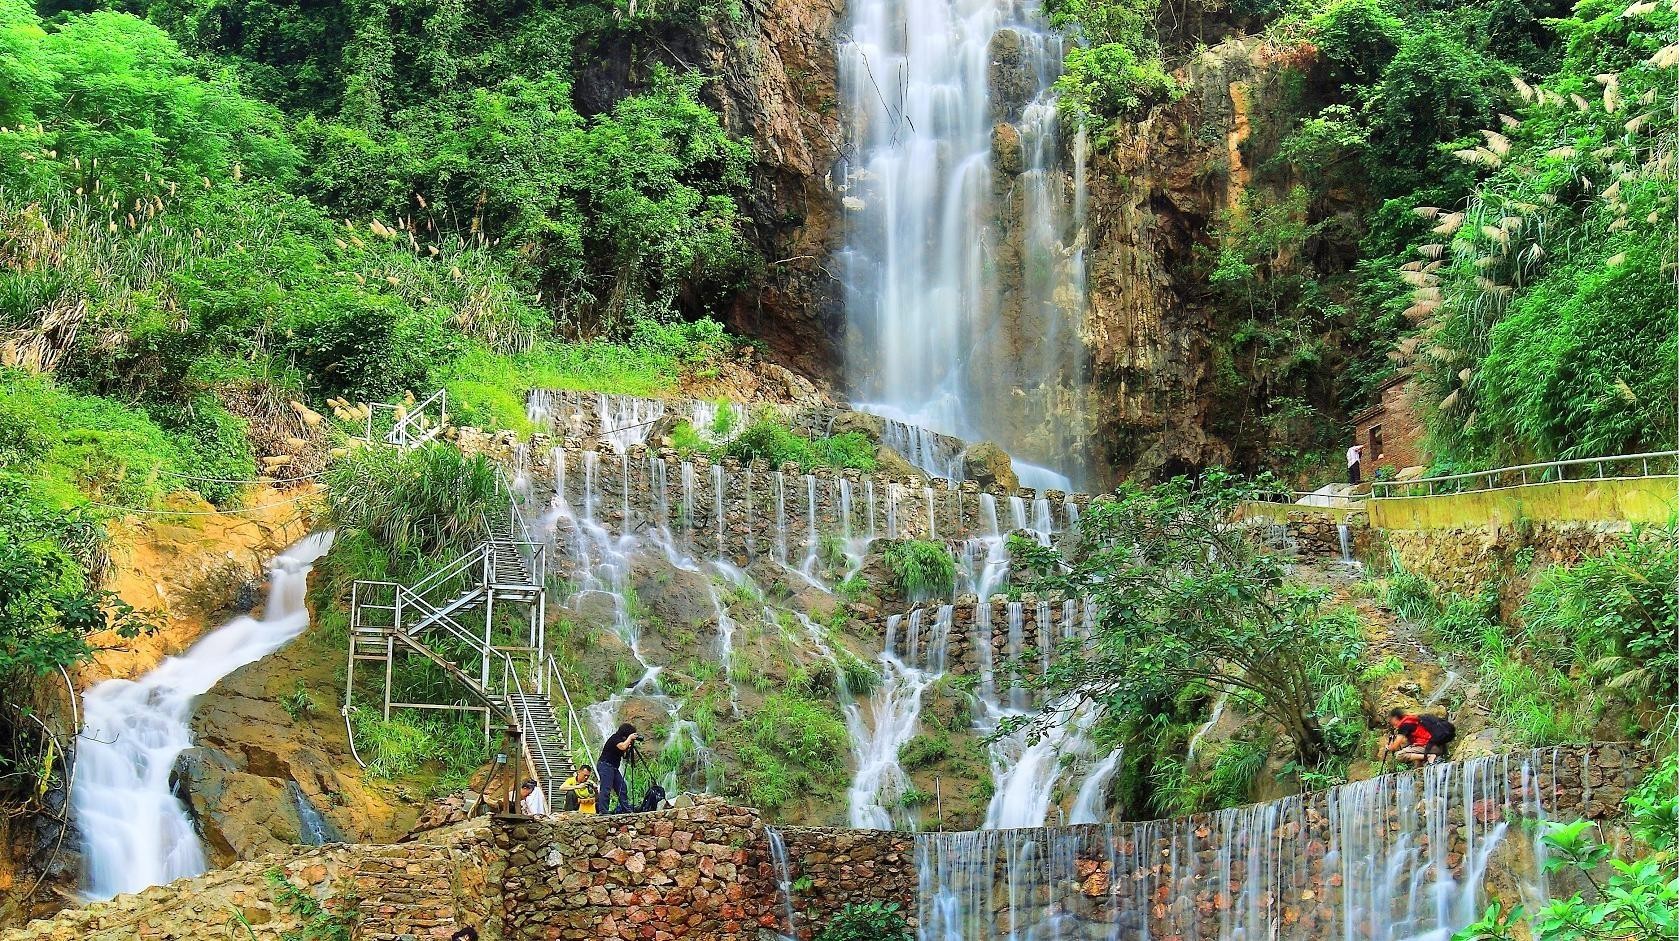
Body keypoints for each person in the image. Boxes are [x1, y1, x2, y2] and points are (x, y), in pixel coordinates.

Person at [596, 722, 638, 814]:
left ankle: (626, 809)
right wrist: (630, 738)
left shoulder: (622, 740)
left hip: (614, 767)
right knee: (606, 788)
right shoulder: (615, 738)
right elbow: (622, 747)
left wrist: (629, 747)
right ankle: (603, 811)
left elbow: (624, 754)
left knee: (622, 787)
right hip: (605, 765)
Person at [1381, 708, 1447, 765]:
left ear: (1395, 718)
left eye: (1391, 720)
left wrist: (1389, 747)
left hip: (1431, 747)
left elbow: (1395, 746)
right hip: (1438, 747)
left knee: (1399, 755)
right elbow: (1406, 743)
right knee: (1416, 761)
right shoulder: (1413, 720)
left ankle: (1429, 756)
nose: (1391, 723)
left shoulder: (1404, 724)